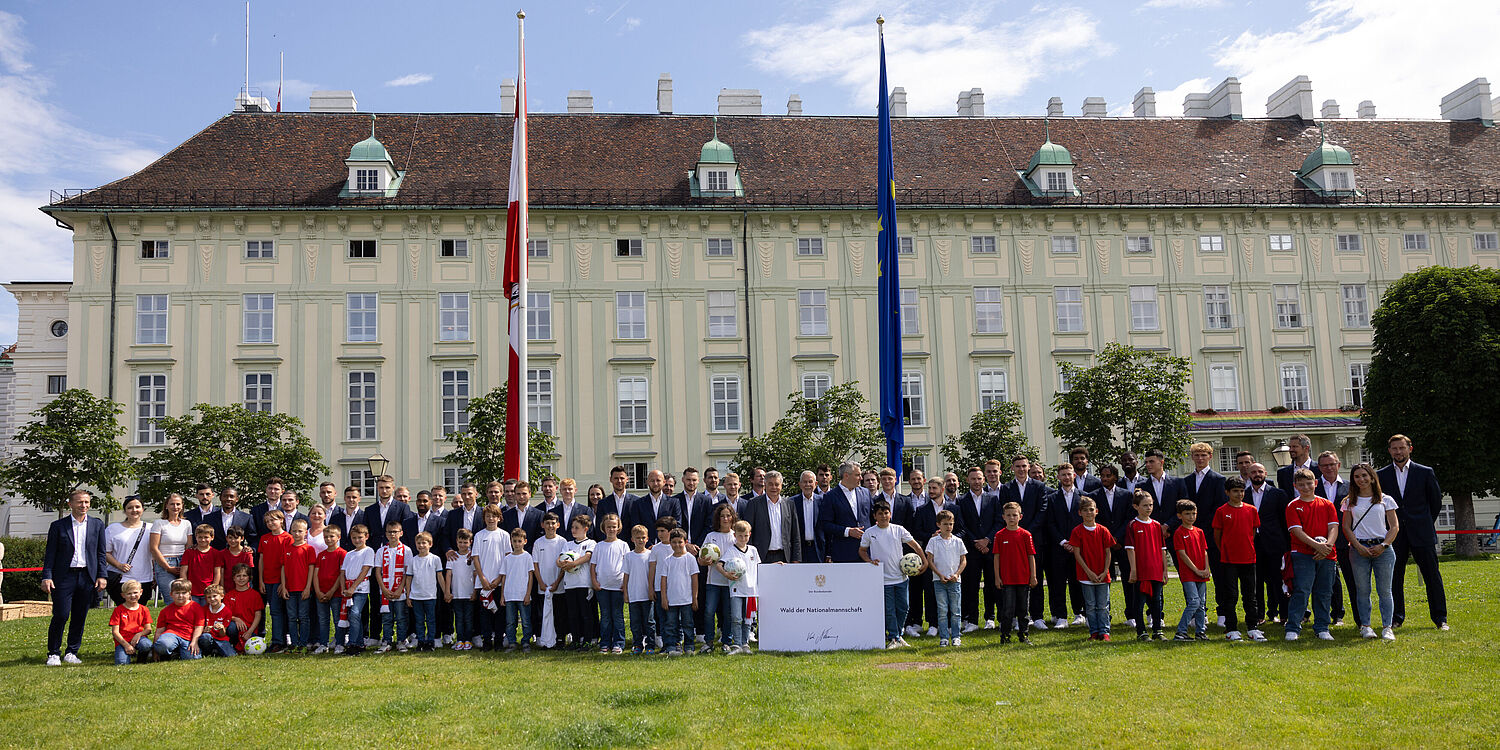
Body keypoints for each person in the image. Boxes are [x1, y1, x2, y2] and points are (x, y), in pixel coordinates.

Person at [1376, 434, 1448, 630]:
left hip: (1421, 532)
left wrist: (1423, 522)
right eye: (1394, 448)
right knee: (1394, 577)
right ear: (1389, 451)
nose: (1398, 452)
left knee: (1432, 576)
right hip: (1394, 533)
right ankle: (1396, 618)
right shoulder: (1381, 475)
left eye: (1402, 448)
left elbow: (1435, 502)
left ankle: (1440, 618)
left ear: (1410, 449)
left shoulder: (1425, 472)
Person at [1342, 464, 1400, 641]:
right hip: (1359, 549)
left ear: (1372, 477)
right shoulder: (1349, 501)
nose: (1361, 479)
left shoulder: (1385, 499)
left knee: (1385, 590)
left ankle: (1387, 627)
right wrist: (1358, 547)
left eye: (1365, 475)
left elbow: (1394, 526)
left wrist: (1383, 545)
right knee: (1362, 590)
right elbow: (1346, 526)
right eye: (1357, 476)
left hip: (1383, 549)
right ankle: (1365, 626)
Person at [860, 498, 926, 650]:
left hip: (901, 577)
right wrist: (869, 560)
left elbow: (915, 545)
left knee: (904, 607)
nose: (883, 516)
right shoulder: (870, 533)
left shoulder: (899, 530)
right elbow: (862, 551)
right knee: (889, 610)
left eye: (886, 513)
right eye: (880, 514)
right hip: (883, 579)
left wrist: (924, 561)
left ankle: (899, 634)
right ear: (875, 516)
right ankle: (893, 638)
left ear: (890, 514)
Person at [1284, 468, 1339, 641]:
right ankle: (1293, 627)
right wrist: (1316, 546)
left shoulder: (1327, 504)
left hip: (1327, 555)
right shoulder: (1293, 505)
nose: (1306, 487)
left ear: (1315, 483)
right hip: (1302, 554)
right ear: (1296, 486)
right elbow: (1296, 531)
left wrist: (1327, 546)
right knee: (1301, 590)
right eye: (1301, 485)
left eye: (1309, 483)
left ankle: (1322, 627)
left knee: (1324, 592)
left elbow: (1333, 527)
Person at [1212, 477, 1266, 642]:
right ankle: (1231, 628)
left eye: (1242, 491)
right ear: (1227, 492)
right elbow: (1217, 536)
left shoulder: (1251, 510)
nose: (1239, 494)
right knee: (1231, 595)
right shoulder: (1221, 511)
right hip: (1229, 561)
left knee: (1251, 595)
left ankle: (1252, 627)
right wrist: (1226, 551)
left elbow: (1253, 531)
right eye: (1235, 491)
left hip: (1249, 559)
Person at [1000, 456, 1048, 632]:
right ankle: (1013, 618)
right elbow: (1002, 510)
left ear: (1028, 467)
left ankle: (1037, 616)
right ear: (1012, 468)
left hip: (1033, 537)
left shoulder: (1039, 486)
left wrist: (1025, 531)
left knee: (1035, 577)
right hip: (1011, 541)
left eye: (1024, 466)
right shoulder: (1006, 488)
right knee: (1013, 579)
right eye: (1018, 466)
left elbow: (1042, 510)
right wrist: (1015, 529)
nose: (1021, 469)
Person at [1182, 442, 1228, 627]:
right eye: (1196, 455)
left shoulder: (1219, 479)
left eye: (1203, 455)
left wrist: (1206, 527)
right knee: (1192, 574)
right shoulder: (1186, 481)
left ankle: (1223, 612)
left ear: (1210, 456)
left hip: (1210, 533)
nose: (1200, 459)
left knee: (1218, 573)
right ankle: (1196, 613)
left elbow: (1219, 508)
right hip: (1191, 534)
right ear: (1192, 457)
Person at [1091, 465, 1136, 626]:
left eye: (1108, 475)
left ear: (1115, 477)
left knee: (1128, 579)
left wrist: (1117, 538)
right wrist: (1108, 539)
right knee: (1103, 580)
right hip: (1103, 545)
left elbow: (1129, 519)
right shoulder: (1093, 496)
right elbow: (1095, 520)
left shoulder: (1127, 495)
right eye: (1102, 475)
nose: (1104, 478)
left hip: (1122, 544)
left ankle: (1131, 615)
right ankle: (1104, 616)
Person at [1044, 463, 1087, 629]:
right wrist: (1063, 541)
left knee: (1078, 581)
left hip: (1079, 547)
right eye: (1063, 475)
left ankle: (1079, 613)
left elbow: (1087, 521)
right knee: (1058, 583)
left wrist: (1076, 542)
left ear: (1074, 476)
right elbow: (1050, 523)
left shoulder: (1084, 496)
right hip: (1059, 547)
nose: (1067, 477)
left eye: (1069, 474)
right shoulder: (1052, 498)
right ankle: (1061, 616)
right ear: (1058, 477)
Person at [896, 469, 937, 638]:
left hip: (929, 549)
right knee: (913, 588)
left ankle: (931, 622)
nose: (916, 481)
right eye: (912, 479)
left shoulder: (931, 500)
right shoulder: (905, 501)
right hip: (910, 549)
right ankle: (915, 622)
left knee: (929, 588)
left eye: (918, 478)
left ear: (924, 480)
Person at [1247, 462, 1290, 623]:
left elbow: (1284, 521)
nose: (1257, 474)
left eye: (1260, 471)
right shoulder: (1244, 494)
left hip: (1275, 544)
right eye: (1253, 472)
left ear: (1265, 473)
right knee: (1256, 582)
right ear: (1248, 474)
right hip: (1253, 544)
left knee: (1278, 580)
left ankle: (1284, 614)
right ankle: (1259, 615)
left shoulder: (1278, 494)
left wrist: (1286, 545)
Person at [1068, 497, 1115, 641]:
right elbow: (1077, 553)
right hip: (1085, 575)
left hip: (1102, 575)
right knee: (1090, 605)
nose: (1089, 513)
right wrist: (1089, 572)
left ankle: (1104, 631)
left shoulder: (1103, 530)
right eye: (1085, 510)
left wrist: (1105, 571)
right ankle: (1094, 632)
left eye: (1091, 510)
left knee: (1103, 605)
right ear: (1079, 513)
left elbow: (1108, 552)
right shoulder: (1077, 531)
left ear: (1096, 511)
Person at [956, 466, 996, 633]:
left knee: (991, 585)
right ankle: (971, 620)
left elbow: (998, 521)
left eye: (979, 478)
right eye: (973, 479)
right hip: (971, 550)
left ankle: (990, 618)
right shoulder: (961, 501)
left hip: (990, 548)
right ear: (967, 480)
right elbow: (962, 524)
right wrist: (976, 542)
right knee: (970, 586)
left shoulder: (993, 499)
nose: (976, 481)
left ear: (983, 480)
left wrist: (987, 540)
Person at [1125, 490, 1167, 641]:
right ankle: (1141, 631)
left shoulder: (1156, 525)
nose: (1149, 508)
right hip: (1141, 571)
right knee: (1139, 603)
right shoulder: (1132, 525)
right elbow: (1130, 549)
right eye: (1145, 505)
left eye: (1151, 505)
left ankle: (1157, 630)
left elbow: (1162, 550)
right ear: (1136, 506)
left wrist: (1164, 571)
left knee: (1156, 602)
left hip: (1156, 570)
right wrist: (1134, 570)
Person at [926, 508, 967, 647]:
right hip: (939, 581)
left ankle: (956, 636)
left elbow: (963, 560)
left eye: (951, 524)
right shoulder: (933, 541)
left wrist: (957, 574)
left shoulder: (958, 541)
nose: (948, 527)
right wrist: (939, 574)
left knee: (956, 610)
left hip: (955, 581)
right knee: (942, 610)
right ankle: (943, 637)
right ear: (938, 525)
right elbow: (929, 560)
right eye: (945, 524)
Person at [700, 503, 738, 654]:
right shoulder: (711, 536)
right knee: (709, 611)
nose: (725, 518)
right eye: (722, 516)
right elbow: (700, 559)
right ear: (718, 518)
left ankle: (726, 641)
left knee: (728, 612)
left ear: (732, 517)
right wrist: (704, 561)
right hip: (713, 581)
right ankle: (708, 642)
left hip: (730, 581)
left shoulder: (736, 536)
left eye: (728, 515)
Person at [722, 519, 763, 655]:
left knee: (748, 619)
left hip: (751, 590)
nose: (743, 538)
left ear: (749, 535)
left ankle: (745, 644)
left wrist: (775, 564)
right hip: (736, 589)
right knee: (736, 618)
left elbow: (760, 567)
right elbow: (719, 564)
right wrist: (727, 574)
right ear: (735, 535)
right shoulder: (731, 551)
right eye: (740, 536)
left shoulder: (753, 550)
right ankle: (737, 645)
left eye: (745, 536)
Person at [1172, 500, 1210, 641]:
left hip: (1202, 573)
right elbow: (1182, 554)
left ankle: (1200, 632)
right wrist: (1196, 570)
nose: (1191, 517)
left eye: (1193, 513)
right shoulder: (1179, 533)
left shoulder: (1199, 532)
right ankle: (1181, 631)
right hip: (1189, 574)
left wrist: (1206, 568)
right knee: (1194, 601)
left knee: (1202, 603)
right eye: (1187, 514)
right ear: (1179, 515)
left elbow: (1205, 551)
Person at [590, 514, 629, 654]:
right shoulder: (599, 546)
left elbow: (627, 566)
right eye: (608, 527)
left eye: (614, 526)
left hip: (618, 587)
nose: (611, 529)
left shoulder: (623, 545)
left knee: (617, 615)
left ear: (618, 528)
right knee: (605, 615)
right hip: (603, 587)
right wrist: (594, 581)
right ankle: (605, 643)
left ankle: (618, 643)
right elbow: (593, 566)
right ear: (603, 528)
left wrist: (625, 584)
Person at [105, 495, 154, 606]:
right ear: (125, 510)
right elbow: (105, 552)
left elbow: (155, 552)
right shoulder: (113, 529)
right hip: (120, 578)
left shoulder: (151, 528)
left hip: (144, 577)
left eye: (137, 507)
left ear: (143, 509)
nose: (134, 510)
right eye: (130, 507)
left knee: (140, 611)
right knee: (123, 610)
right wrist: (118, 565)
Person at [820, 462, 872, 564]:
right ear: (846, 475)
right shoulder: (830, 497)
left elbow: (872, 518)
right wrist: (848, 531)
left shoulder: (865, 493)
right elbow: (825, 524)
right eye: (857, 475)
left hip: (867, 552)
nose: (861, 478)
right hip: (844, 554)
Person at [658, 528, 699, 656]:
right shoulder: (667, 561)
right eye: (674, 542)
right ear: (670, 543)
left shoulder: (690, 559)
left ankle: (689, 646)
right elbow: (663, 581)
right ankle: (672, 646)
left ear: (685, 542)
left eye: (680, 542)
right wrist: (664, 598)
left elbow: (694, 579)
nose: (677, 545)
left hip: (687, 599)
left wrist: (695, 598)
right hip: (671, 600)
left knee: (687, 624)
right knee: (671, 624)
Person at [559, 514, 598, 650]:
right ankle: (575, 640)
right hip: (570, 585)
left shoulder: (590, 543)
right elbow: (559, 560)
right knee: (573, 615)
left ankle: (587, 641)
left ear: (585, 529)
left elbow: (587, 557)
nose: (573, 530)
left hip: (584, 584)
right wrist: (561, 563)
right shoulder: (567, 544)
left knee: (586, 614)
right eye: (572, 527)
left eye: (577, 527)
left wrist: (573, 564)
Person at [745, 470, 800, 564]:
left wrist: (796, 558)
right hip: (761, 556)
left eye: (777, 484)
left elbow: (795, 534)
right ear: (765, 485)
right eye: (770, 484)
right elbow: (748, 532)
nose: (774, 487)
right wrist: (750, 556)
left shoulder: (789, 504)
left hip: (784, 556)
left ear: (781, 486)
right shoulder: (754, 503)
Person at [471, 504, 507, 649]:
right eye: (488, 516)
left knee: (499, 614)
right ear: (484, 518)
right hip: (483, 584)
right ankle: (486, 641)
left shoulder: (504, 535)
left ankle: (498, 640)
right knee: (484, 614)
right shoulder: (479, 535)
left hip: (498, 583)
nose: (491, 519)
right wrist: (482, 578)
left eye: (494, 516)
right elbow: (476, 558)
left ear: (499, 518)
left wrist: (499, 578)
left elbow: (507, 558)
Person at [531, 512, 567, 649]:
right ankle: (544, 639)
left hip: (558, 586)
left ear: (558, 525)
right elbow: (535, 564)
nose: (550, 526)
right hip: (543, 586)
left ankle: (560, 639)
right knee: (543, 614)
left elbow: (564, 564)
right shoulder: (538, 542)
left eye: (553, 523)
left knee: (559, 615)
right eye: (547, 523)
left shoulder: (563, 542)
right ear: (542, 525)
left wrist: (557, 582)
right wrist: (540, 583)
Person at [337, 524, 374, 655]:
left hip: (360, 589)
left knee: (355, 614)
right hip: (348, 590)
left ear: (366, 537)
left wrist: (353, 587)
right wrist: (344, 588)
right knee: (352, 616)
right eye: (354, 538)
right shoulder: (349, 554)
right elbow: (342, 572)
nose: (357, 540)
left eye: (360, 537)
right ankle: (358, 643)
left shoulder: (368, 551)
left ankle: (353, 643)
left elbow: (365, 570)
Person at [281, 518, 318, 653]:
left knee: (303, 617)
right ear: (290, 532)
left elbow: (311, 569)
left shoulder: (309, 549)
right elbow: (283, 568)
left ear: (305, 533)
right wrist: (284, 586)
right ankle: (294, 643)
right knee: (291, 617)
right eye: (294, 531)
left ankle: (303, 643)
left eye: (300, 531)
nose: (297, 534)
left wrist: (308, 587)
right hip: (290, 589)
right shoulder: (287, 549)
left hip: (303, 589)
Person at [256, 509, 291, 649]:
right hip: (267, 580)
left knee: (276, 611)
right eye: (268, 521)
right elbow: (261, 560)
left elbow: (288, 562)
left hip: (280, 580)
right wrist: (261, 580)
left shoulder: (288, 538)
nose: (270, 523)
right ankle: (277, 639)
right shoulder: (264, 538)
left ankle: (278, 641)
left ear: (281, 520)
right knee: (272, 610)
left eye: (273, 520)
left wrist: (284, 583)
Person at [374, 520, 411, 653]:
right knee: (387, 618)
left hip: (400, 591)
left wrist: (401, 588)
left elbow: (408, 572)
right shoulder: (381, 551)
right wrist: (383, 588)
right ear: (386, 534)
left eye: (395, 532)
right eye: (389, 532)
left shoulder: (406, 550)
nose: (392, 534)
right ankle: (387, 641)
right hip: (384, 591)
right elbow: (377, 571)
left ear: (401, 533)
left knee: (401, 617)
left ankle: (401, 641)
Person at [149, 492, 192, 603]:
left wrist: (184, 565)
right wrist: (168, 567)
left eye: (178, 504)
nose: (175, 507)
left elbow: (189, 546)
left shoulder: (186, 524)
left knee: (185, 598)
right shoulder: (159, 523)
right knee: (172, 599)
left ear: (182, 506)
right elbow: (153, 548)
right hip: (164, 563)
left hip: (183, 562)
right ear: (166, 506)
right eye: (172, 504)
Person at [500, 528, 536, 652]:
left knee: (526, 621)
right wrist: (502, 596)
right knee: (510, 622)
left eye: (519, 541)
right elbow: (504, 577)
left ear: (525, 541)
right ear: (511, 542)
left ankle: (526, 642)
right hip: (509, 595)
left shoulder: (527, 557)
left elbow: (530, 577)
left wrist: (528, 594)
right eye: (514, 541)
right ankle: (512, 642)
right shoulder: (507, 558)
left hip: (522, 595)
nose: (516, 544)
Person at [622, 524, 657, 655]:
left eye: (643, 537)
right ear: (632, 539)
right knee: (635, 622)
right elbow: (626, 575)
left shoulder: (650, 555)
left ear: (647, 539)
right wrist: (625, 592)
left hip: (647, 595)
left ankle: (650, 645)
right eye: (637, 538)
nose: (640, 540)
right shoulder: (629, 556)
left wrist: (651, 590)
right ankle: (637, 645)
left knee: (649, 622)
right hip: (634, 595)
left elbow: (652, 574)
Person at [311, 526, 346, 653]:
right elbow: (315, 574)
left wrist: (331, 591)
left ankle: (339, 643)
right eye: (326, 537)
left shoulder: (342, 553)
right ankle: (323, 643)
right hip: (320, 593)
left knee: (338, 619)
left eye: (332, 536)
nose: (329, 539)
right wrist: (318, 591)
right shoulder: (321, 555)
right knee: (323, 619)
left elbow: (341, 574)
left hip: (335, 593)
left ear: (338, 537)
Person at [647, 517, 679, 650]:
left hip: (675, 589)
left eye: (662, 531)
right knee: (662, 617)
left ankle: (677, 642)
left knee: (675, 618)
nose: (659, 534)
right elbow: (652, 569)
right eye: (658, 531)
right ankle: (666, 644)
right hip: (660, 588)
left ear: (671, 531)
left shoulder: (676, 547)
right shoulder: (655, 549)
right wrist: (651, 588)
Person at [153, 579, 205, 660]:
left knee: (193, 658)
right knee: (162, 645)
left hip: (189, 637)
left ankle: (177, 652)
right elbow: (159, 631)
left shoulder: (196, 608)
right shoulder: (165, 611)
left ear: (189, 594)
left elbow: (199, 627)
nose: (180, 596)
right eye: (177, 593)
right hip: (171, 634)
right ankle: (170, 651)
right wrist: (155, 651)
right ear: (171, 594)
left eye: (184, 593)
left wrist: (194, 642)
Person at [109, 579, 154, 665]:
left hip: (139, 639)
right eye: (129, 593)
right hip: (123, 641)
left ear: (141, 592)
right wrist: (126, 645)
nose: (133, 596)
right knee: (122, 663)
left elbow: (148, 629)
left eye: (135, 593)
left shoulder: (144, 609)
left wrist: (139, 634)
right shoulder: (118, 610)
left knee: (146, 645)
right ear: (123, 595)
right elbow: (115, 632)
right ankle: (128, 652)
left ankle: (141, 660)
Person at [446, 528, 477, 651]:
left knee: (468, 619)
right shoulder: (453, 557)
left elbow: (475, 575)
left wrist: (475, 591)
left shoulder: (473, 558)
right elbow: (448, 575)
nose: (463, 545)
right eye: (460, 542)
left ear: (470, 542)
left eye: (465, 542)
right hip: (456, 594)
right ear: (456, 542)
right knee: (458, 618)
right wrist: (447, 591)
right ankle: (460, 640)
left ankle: (468, 640)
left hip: (469, 594)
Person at [223, 564, 264, 648]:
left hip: (250, 629)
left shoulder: (255, 595)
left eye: (244, 575)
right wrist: (236, 619)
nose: (241, 578)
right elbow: (225, 614)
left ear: (249, 578)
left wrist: (250, 631)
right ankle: (233, 644)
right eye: (238, 576)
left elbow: (258, 615)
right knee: (231, 627)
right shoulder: (228, 595)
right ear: (233, 578)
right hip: (235, 628)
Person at [181, 524, 220, 605]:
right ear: (196, 537)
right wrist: (186, 589)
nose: (203, 540)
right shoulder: (189, 552)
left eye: (206, 537)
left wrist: (214, 589)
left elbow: (217, 572)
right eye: (200, 537)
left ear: (212, 537)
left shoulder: (216, 553)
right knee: (192, 615)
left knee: (207, 615)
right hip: (192, 591)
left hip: (208, 592)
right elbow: (183, 572)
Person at [205, 487, 252, 551]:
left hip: (237, 556)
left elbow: (253, 538)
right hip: (216, 556)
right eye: (225, 496)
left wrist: (251, 548)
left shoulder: (246, 518)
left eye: (232, 496)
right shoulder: (209, 518)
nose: (228, 499)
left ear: (237, 499)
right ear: (220, 498)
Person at [793, 470, 824, 564]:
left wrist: (829, 554)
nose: (807, 484)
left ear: (816, 484)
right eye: (804, 482)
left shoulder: (823, 501)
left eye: (810, 482)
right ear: (800, 484)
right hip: (800, 550)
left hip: (819, 549)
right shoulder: (792, 502)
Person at [199, 584, 237, 657]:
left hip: (221, 638)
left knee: (231, 655)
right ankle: (207, 652)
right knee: (205, 637)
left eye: (214, 596)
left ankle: (216, 650)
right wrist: (204, 630)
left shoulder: (227, 611)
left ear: (222, 596)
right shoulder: (204, 609)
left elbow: (222, 634)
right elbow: (199, 628)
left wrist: (222, 628)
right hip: (208, 637)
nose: (212, 599)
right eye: (209, 597)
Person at [330, 486, 365, 551]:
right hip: (340, 555)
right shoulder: (335, 518)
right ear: (344, 498)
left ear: (359, 499)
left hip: (359, 554)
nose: (351, 500)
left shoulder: (365, 517)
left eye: (354, 497)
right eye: (348, 497)